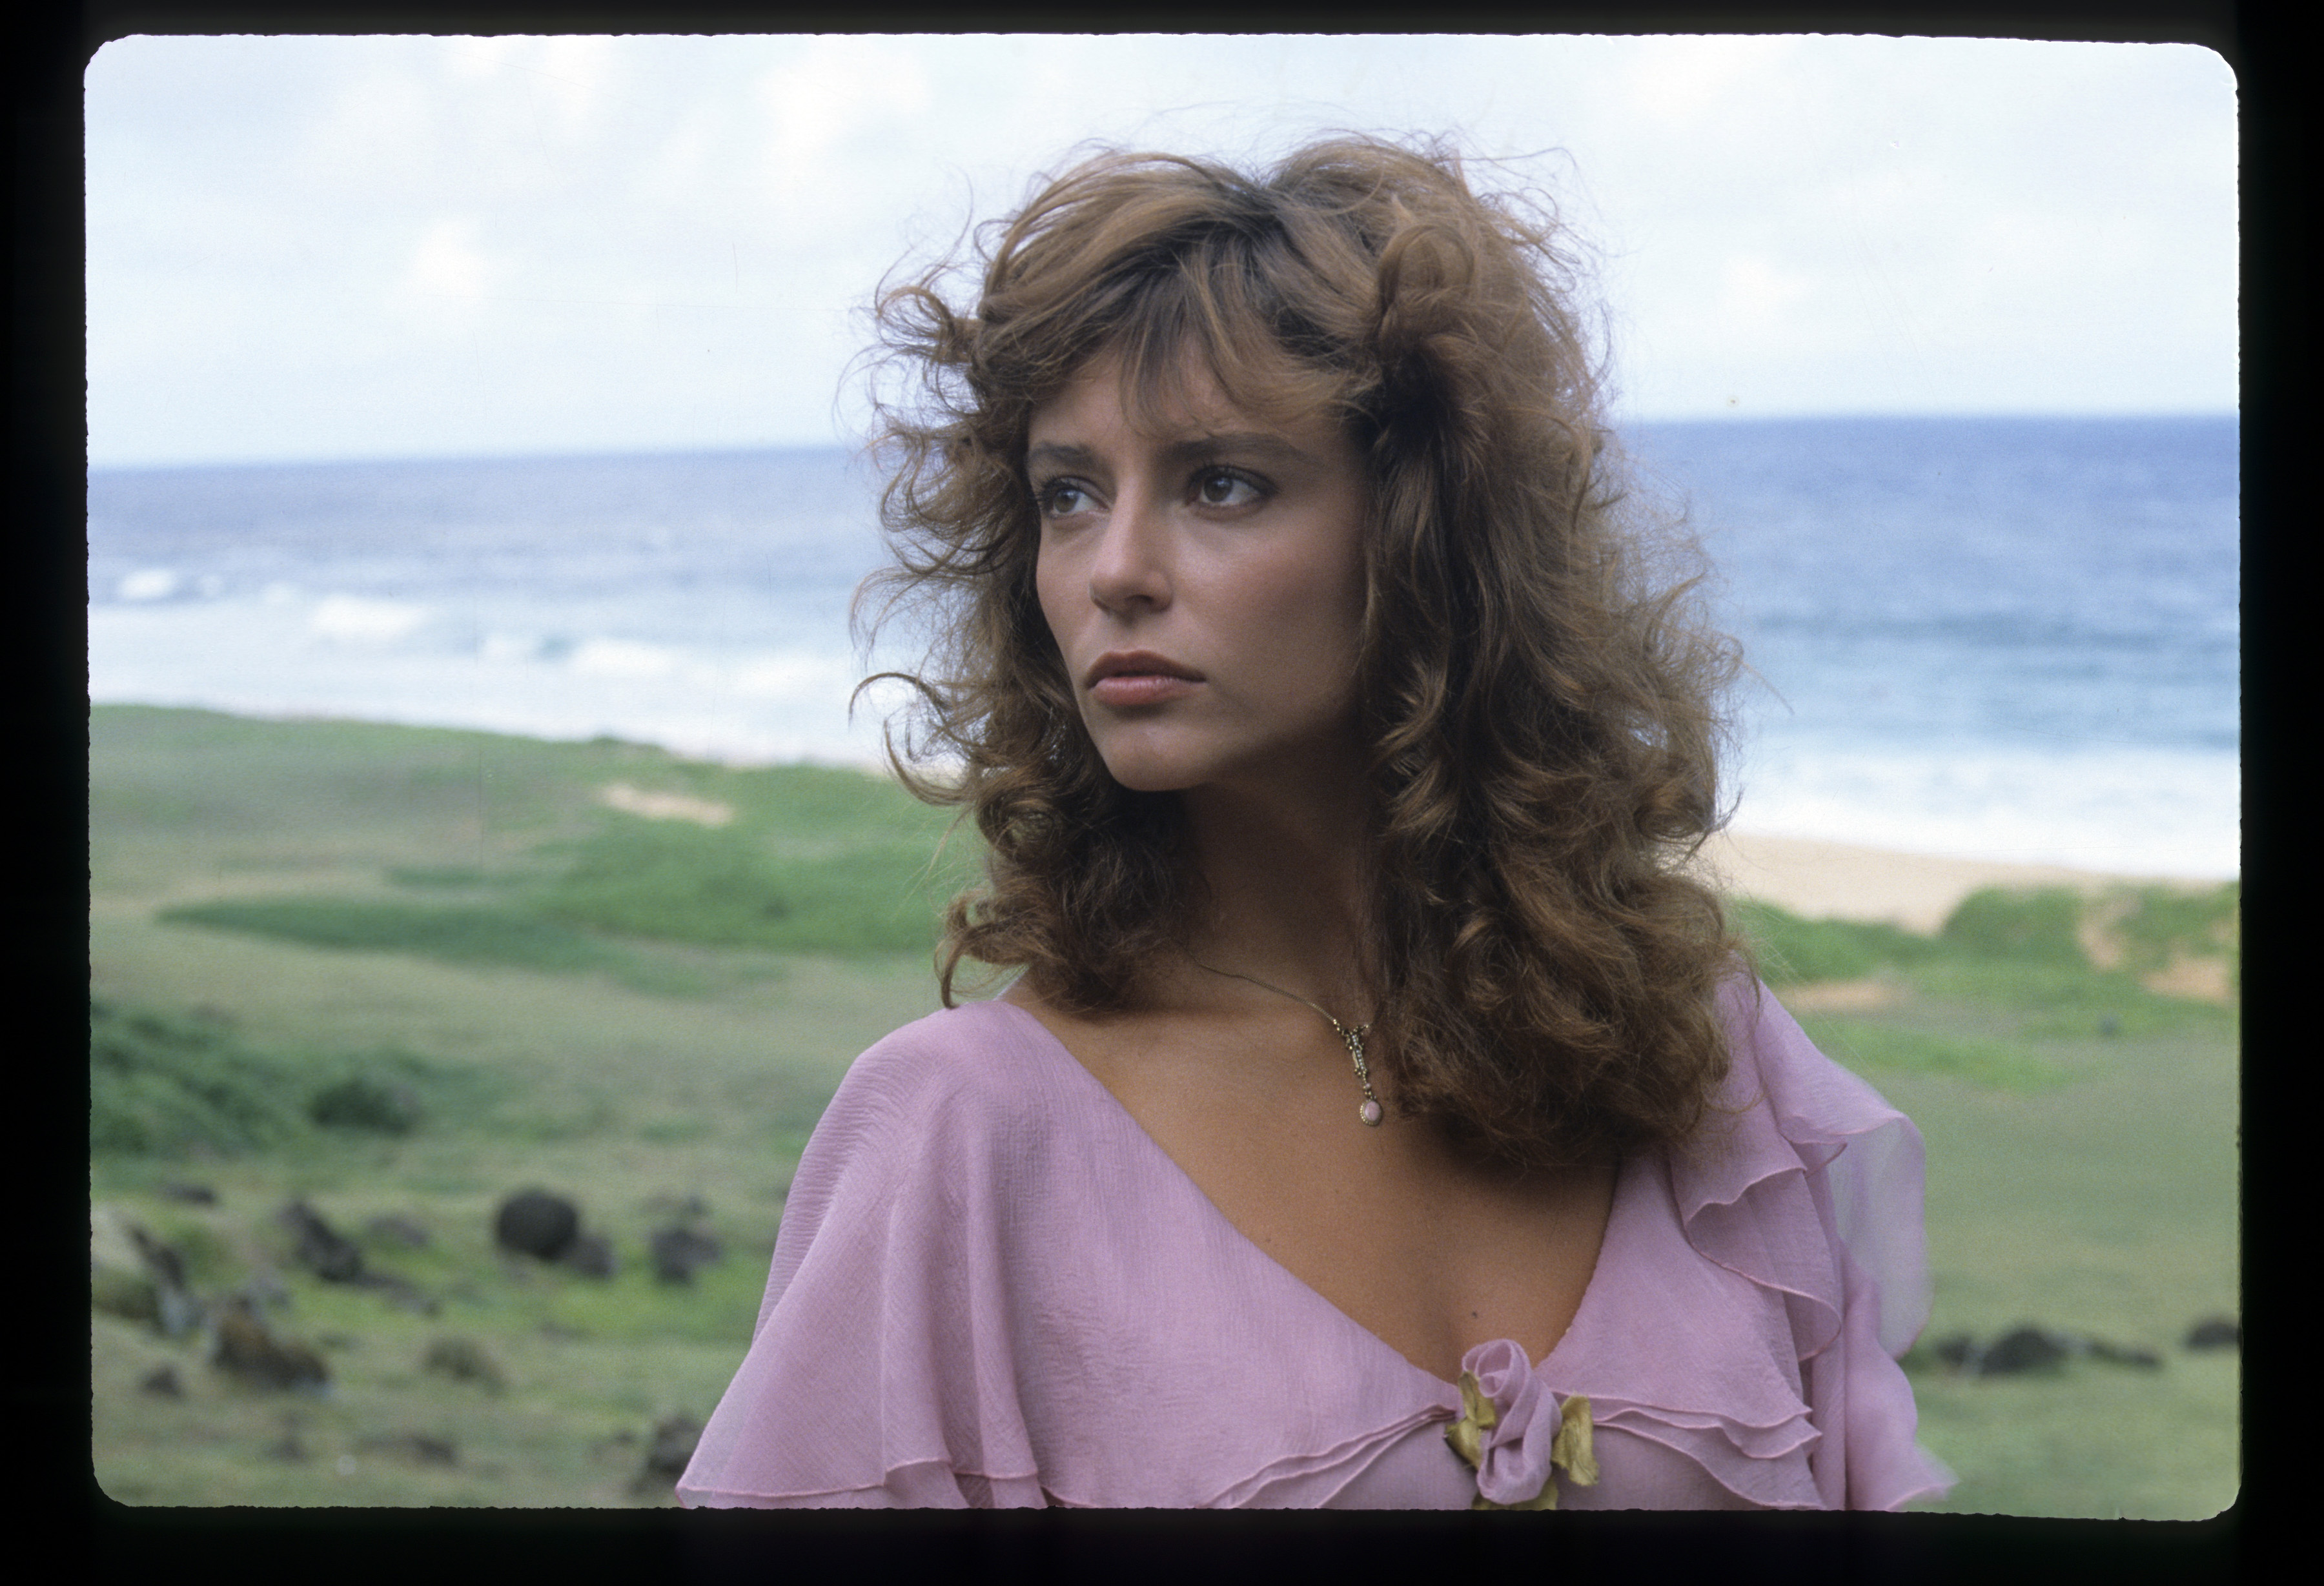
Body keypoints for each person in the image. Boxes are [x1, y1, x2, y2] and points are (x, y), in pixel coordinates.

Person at [678, 136, 1953, 1510]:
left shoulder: (1701, 1065)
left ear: (1422, 533)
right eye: (1069, 494)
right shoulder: (962, 1133)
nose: (1116, 571)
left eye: (1221, 482)